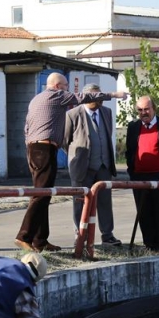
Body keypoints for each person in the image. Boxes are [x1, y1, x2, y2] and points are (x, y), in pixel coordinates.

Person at [15, 72, 128, 253]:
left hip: (36, 147)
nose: (68, 90)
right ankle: (24, 236)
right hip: (44, 149)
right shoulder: (57, 95)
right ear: (58, 86)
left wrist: (32, 144)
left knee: (45, 194)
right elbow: (84, 97)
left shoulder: (36, 99)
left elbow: (27, 126)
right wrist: (115, 95)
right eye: (66, 86)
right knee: (40, 195)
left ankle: (40, 240)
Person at [63, 83, 121, 246]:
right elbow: (65, 141)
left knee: (104, 201)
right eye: (97, 96)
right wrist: (77, 157)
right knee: (80, 201)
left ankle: (107, 235)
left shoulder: (106, 112)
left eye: (101, 95)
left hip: (103, 165)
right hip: (82, 167)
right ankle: (81, 234)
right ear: (87, 97)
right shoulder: (73, 114)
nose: (101, 99)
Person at [124, 95, 159, 252]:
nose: (143, 113)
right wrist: (132, 172)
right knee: (145, 214)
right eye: (140, 110)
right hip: (140, 178)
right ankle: (150, 245)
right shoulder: (133, 127)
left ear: (153, 109)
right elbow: (129, 151)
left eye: (146, 109)